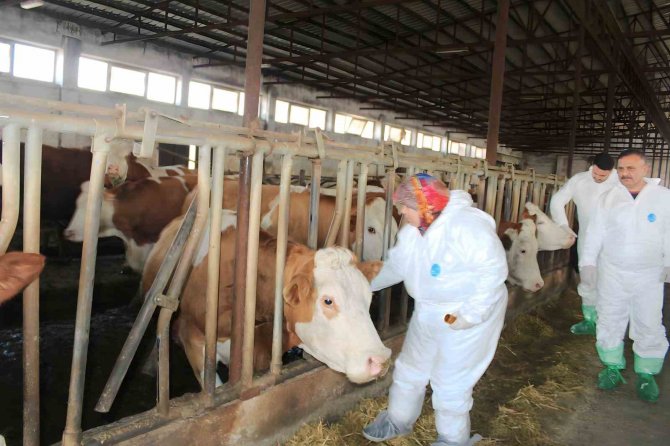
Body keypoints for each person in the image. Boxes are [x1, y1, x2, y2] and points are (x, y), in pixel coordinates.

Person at [362, 173, 508, 446]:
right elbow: (396, 267)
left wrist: (471, 315)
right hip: (428, 309)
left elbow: (494, 272)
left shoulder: (467, 227)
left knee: (450, 380)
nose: (402, 212)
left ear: (427, 206)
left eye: (407, 206)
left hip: (466, 313)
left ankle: (453, 439)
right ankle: (398, 419)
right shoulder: (412, 231)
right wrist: (361, 285)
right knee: (410, 367)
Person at [580, 149, 670, 402]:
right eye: (620, 169)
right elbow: (595, 232)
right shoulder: (610, 197)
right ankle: (611, 366)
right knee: (609, 317)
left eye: (630, 168)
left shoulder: (663, 198)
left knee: (649, 320)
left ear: (646, 170)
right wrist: (588, 263)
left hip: (649, 274)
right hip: (613, 271)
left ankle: (647, 372)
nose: (624, 173)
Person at [550, 152, 618, 335]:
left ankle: (610, 323)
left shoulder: (620, 183)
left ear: (611, 171)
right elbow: (557, 201)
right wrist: (563, 225)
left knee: (612, 280)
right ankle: (589, 321)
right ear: (592, 167)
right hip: (587, 240)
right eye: (595, 173)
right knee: (588, 280)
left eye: (603, 176)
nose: (598, 177)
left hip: (615, 240)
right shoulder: (579, 180)